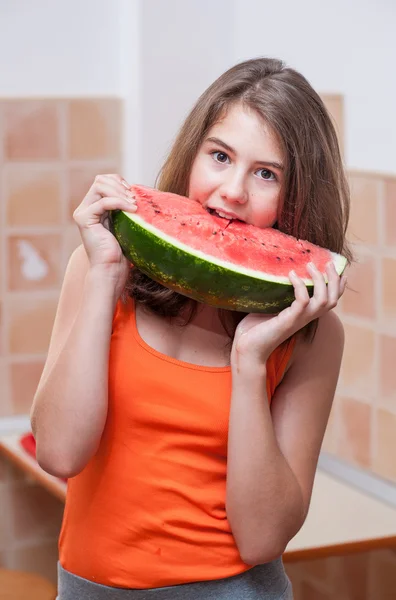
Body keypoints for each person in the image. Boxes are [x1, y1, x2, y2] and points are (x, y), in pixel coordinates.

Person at [31, 57, 351, 600]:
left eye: (266, 173)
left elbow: (262, 538)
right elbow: (59, 454)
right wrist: (107, 276)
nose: (231, 191)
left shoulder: (313, 333)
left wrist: (250, 363)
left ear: (298, 198)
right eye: (220, 156)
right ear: (192, 154)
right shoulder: (98, 269)